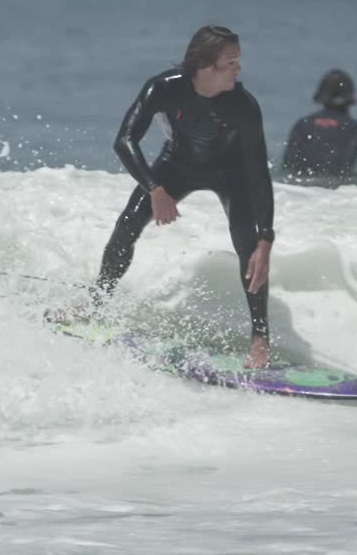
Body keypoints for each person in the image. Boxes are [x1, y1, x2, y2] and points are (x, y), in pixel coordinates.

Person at [89, 25, 276, 369]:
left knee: (249, 249)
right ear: (206, 66)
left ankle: (260, 340)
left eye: (238, 61)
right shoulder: (164, 88)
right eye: (230, 62)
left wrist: (266, 238)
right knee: (127, 225)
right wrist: (155, 189)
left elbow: (258, 174)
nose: (238, 69)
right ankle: (95, 305)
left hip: (231, 173)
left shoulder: (243, 106)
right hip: (178, 165)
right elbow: (125, 141)